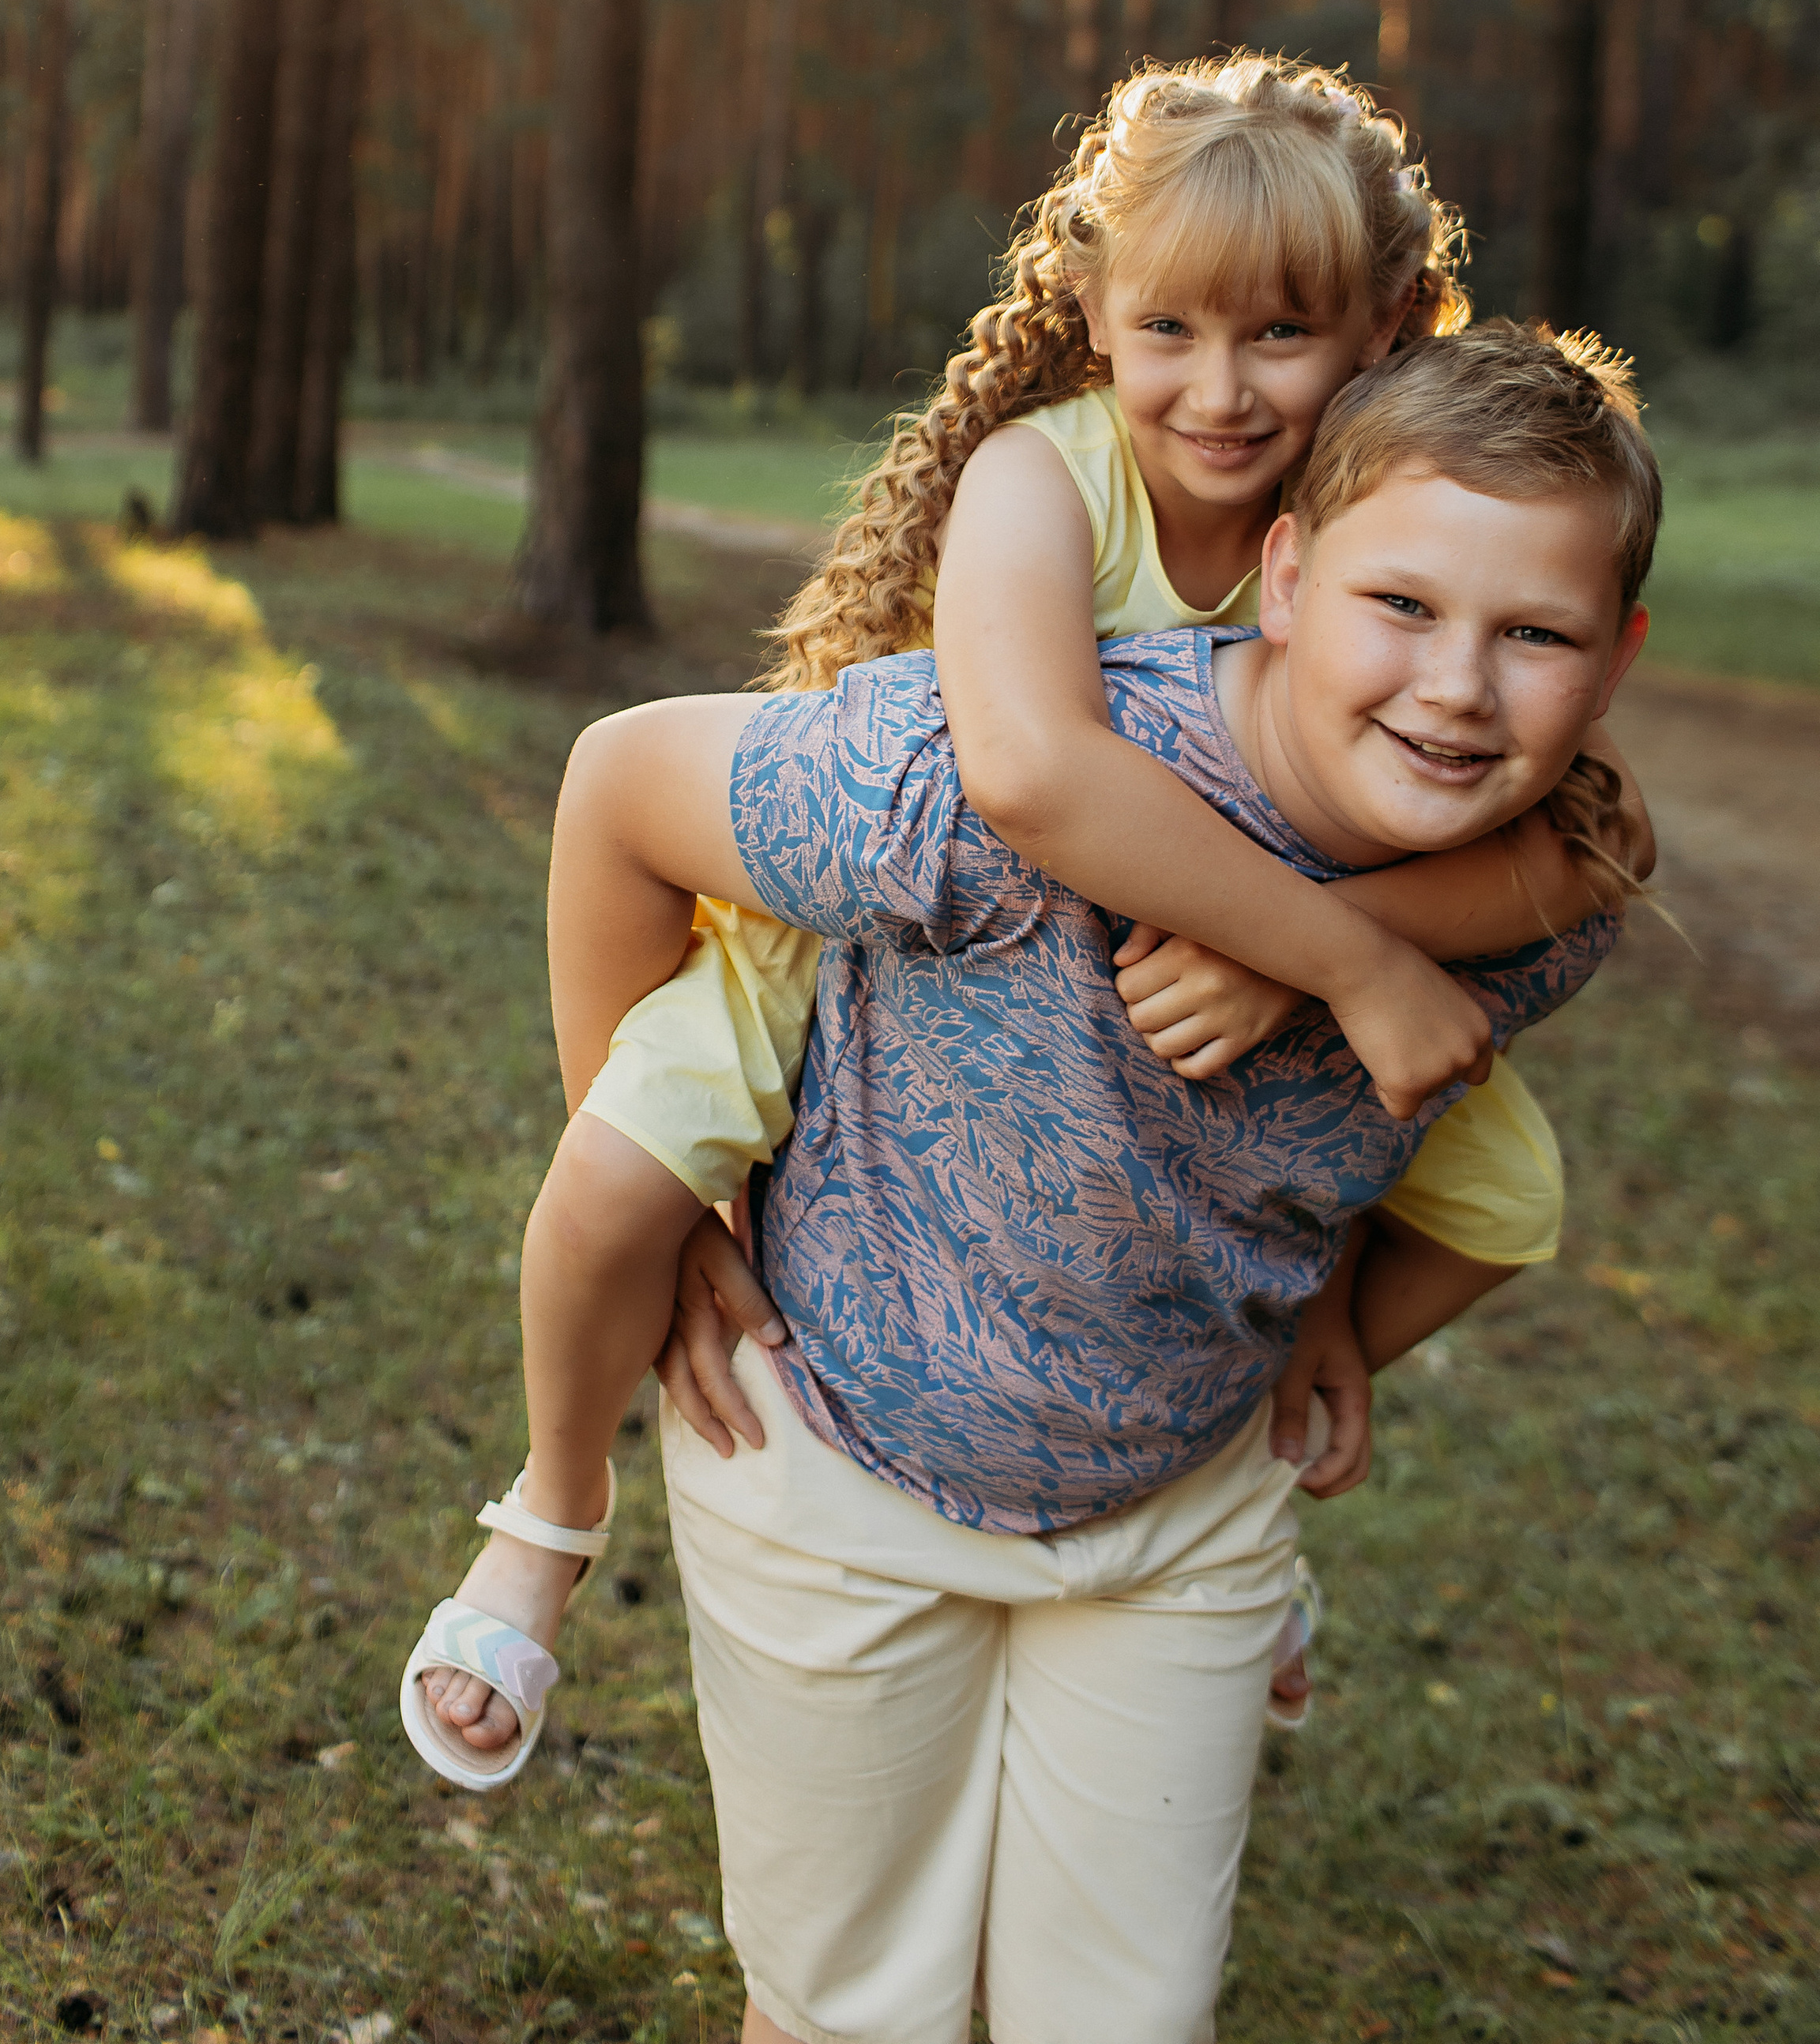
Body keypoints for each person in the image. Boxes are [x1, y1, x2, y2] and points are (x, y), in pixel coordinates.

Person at [404, 321, 1658, 2042]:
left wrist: (1335, 1263)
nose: (1455, 688)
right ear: (1281, 575)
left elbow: (1463, 1073)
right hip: (839, 1458)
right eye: (1402, 609)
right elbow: (618, 783)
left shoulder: (1540, 908)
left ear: (1614, 662)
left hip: (1179, 1505)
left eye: (1533, 637)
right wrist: (665, 1201)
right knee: (850, 2016)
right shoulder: (985, 789)